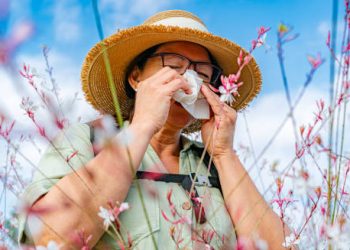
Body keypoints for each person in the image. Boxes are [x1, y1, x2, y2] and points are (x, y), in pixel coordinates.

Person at [18, 10, 292, 249]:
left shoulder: (213, 163)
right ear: (136, 77)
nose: (188, 82)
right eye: (174, 66)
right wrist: (143, 125)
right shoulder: (87, 141)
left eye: (202, 74)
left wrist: (223, 153)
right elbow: (48, 238)